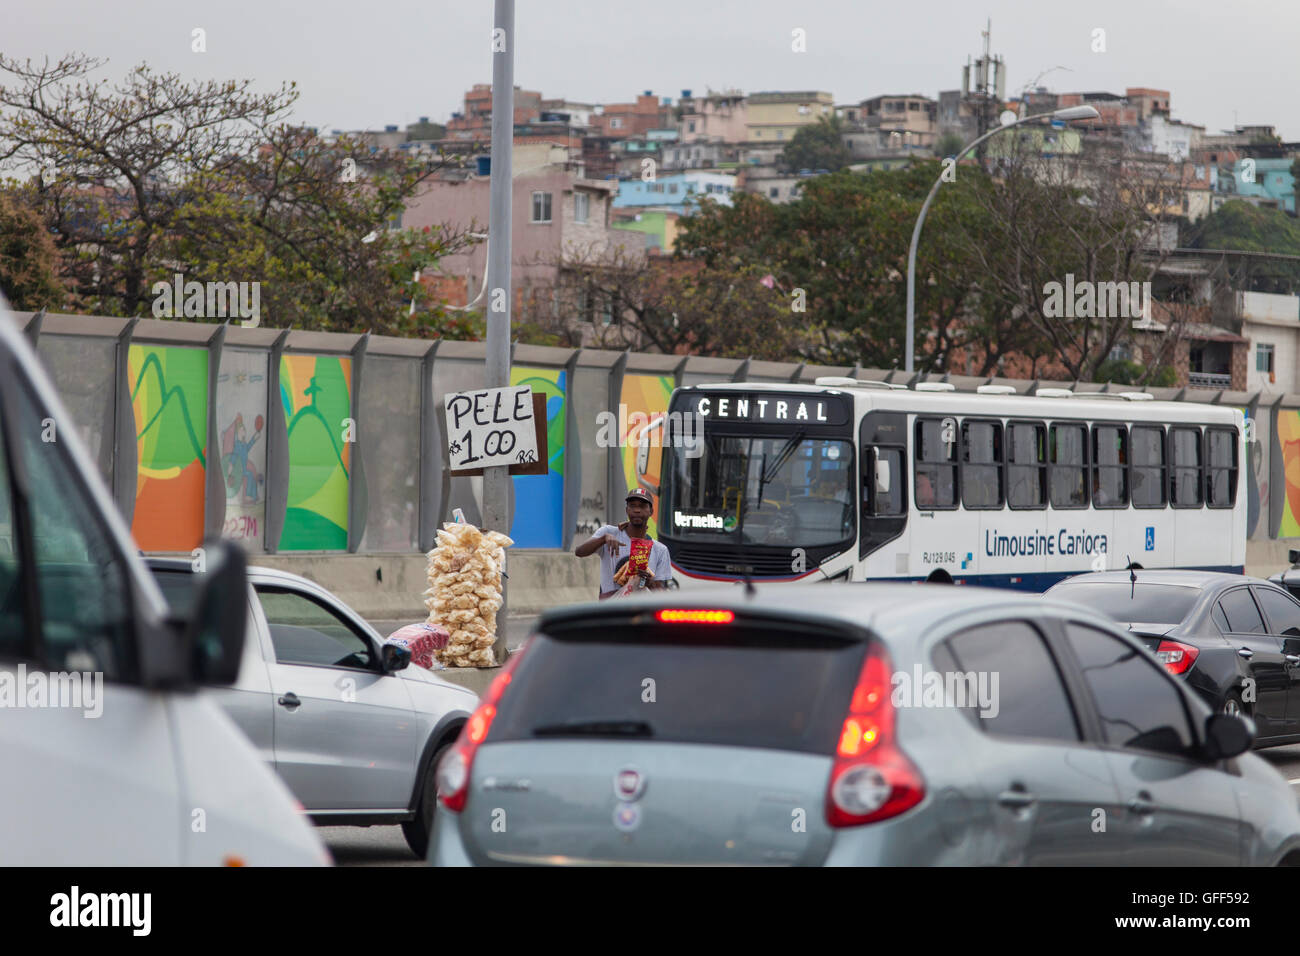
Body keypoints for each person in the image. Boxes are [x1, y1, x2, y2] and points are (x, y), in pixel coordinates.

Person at [574, 488, 672, 599]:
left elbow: (662, 594)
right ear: (627, 510)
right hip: (612, 610)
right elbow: (579, 552)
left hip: (642, 610)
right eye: (632, 505)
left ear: (651, 511)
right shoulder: (608, 533)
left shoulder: (660, 550)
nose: (637, 510)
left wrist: (649, 582)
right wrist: (603, 539)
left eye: (642, 506)